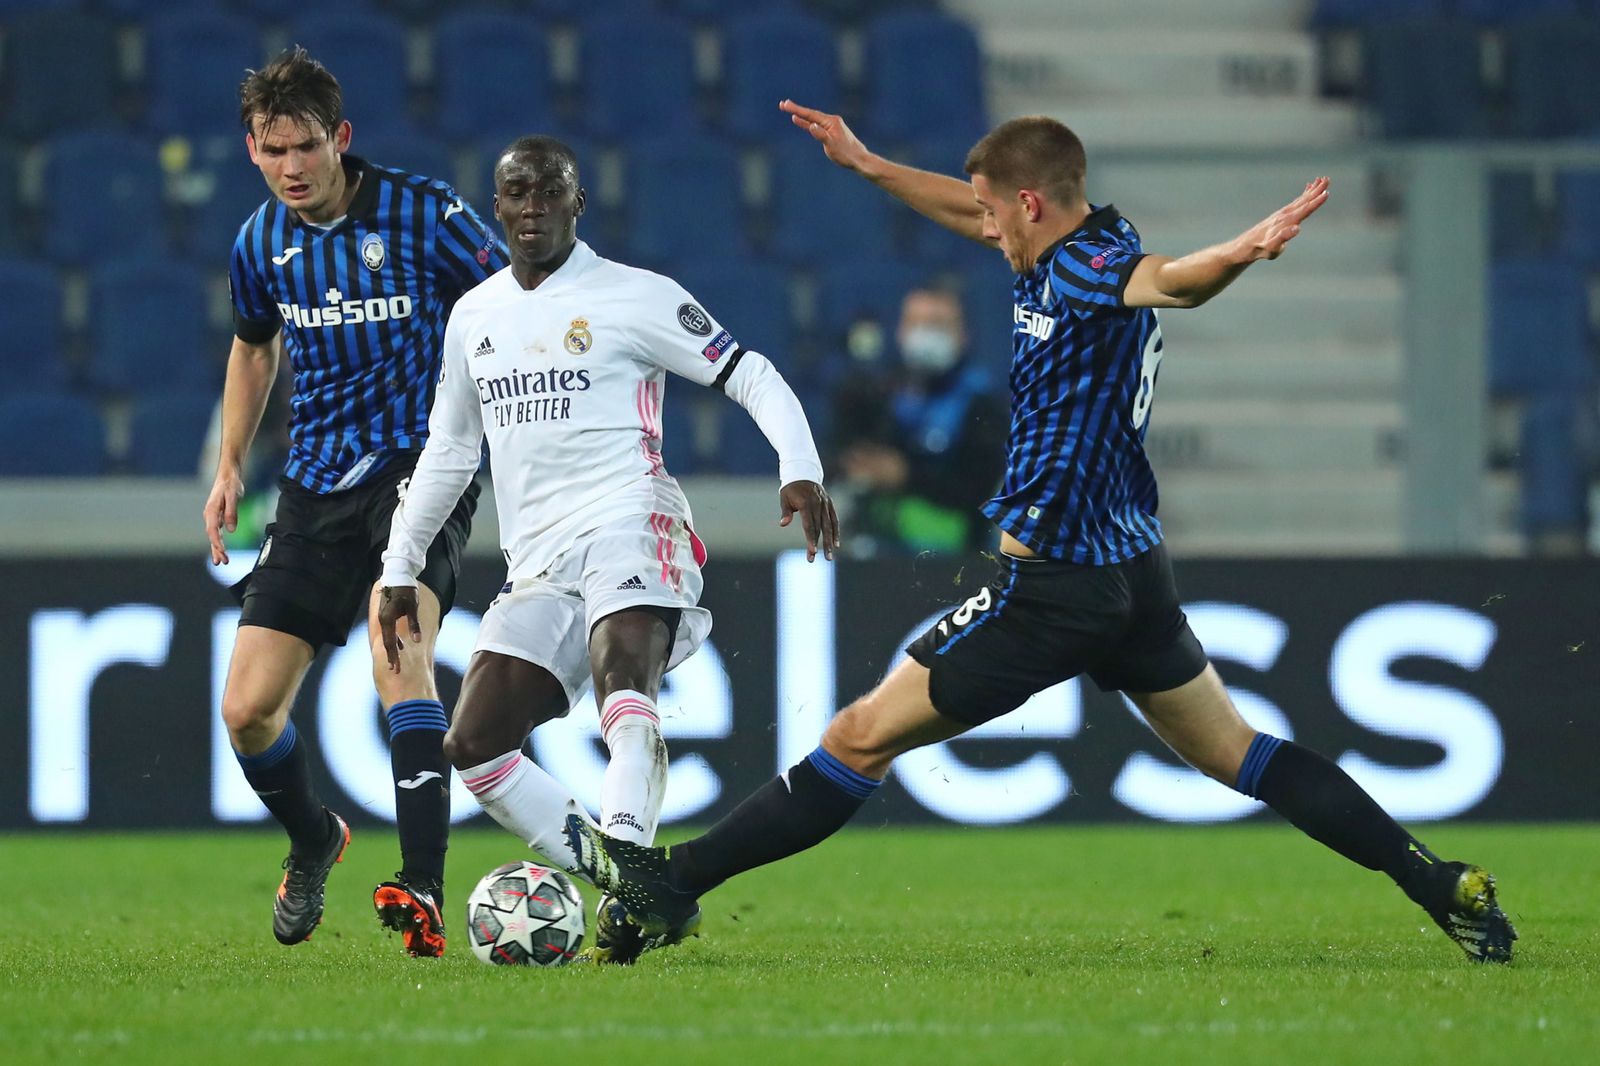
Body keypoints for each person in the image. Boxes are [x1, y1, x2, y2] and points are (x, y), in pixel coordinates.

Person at [561, 102, 1517, 965]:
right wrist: (870, 165)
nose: (981, 227)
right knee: (1239, 753)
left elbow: (1171, 284)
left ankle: (669, 881)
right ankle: (1438, 883)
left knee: (855, 739)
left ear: (1029, 203)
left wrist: (1239, 251)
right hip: (1132, 574)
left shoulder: (1095, 266)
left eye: (990, 211)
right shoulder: (1067, 238)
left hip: (1054, 587)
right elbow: (988, 216)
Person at [376, 135, 838, 964]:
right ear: (497, 206)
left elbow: (751, 374)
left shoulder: (634, 296)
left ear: (576, 202)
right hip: (539, 562)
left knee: (624, 687)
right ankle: (635, 883)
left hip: (632, 517)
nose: (531, 208)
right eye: (516, 194)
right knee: (473, 747)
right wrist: (399, 567)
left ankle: (627, 898)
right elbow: (448, 454)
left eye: (548, 193)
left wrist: (798, 470)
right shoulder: (473, 316)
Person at [203, 48, 508, 957]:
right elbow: (254, 347)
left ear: (340, 138)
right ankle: (313, 838)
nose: (290, 168)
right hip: (312, 485)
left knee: (397, 646)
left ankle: (423, 886)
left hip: (423, 474)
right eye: (270, 150)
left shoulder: (426, 215)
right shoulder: (262, 242)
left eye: (303, 147)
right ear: (251, 148)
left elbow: (509, 307)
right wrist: (228, 466)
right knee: (248, 712)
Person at [832, 285, 1005, 556]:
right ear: (900, 332)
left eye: (936, 324)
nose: (924, 334)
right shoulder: (878, 393)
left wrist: (905, 475)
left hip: (957, 559)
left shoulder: (980, 403)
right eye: (916, 323)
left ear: (963, 335)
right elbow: (836, 459)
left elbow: (980, 489)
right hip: (875, 553)